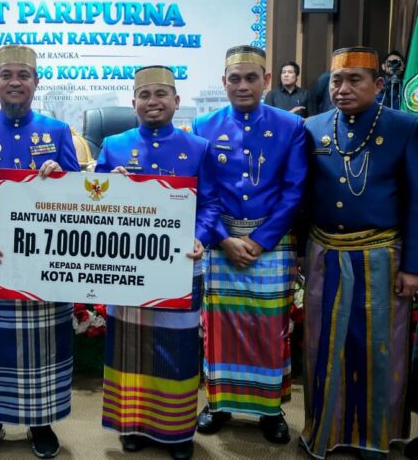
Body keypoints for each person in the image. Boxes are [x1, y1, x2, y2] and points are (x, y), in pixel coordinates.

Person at [0, 45, 79, 459]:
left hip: (45, 252)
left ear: (36, 82)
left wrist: (61, 176)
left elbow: (78, 193)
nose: (15, 82)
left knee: (45, 341)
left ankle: (42, 421)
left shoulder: (57, 131)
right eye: (6, 74)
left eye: (23, 75)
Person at [97, 66, 222, 460]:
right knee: (129, 346)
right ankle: (131, 425)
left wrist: (200, 238)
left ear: (176, 101)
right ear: (133, 102)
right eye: (144, 95)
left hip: (179, 265)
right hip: (126, 266)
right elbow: (91, 201)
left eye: (161, 94)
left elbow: (211, 204)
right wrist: (108, 187)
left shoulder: (198, 147)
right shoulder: (113, 146)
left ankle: (177, 431)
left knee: (177, 347)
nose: (153, 102)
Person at [300, 46, 418, 460]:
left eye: (355, 80)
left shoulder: (405, 127)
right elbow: (303, 195)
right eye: (337, 80)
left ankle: (375, 438)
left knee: (380, 349)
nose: (343, 89)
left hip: (381, 257)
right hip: (324, 254)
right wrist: (300, 252)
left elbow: (417, 201)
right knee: (322, 347)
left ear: (379, 84)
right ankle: (323, 432)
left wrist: (413, 267)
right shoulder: (312, 127)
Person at [192, 45, 307, 444]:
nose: (243, 86)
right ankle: (218, 404)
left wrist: (259, 241)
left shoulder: (291, 126)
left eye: (251, 78)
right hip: (220, 241)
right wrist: (223, 239)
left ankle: (270, 410)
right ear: (223, 82)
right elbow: (200, 190)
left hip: (270, 242)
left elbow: (294, 191)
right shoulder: (203, 125)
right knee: (219, 329)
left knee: (269, 328)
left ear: (267, 80)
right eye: (235, 79)